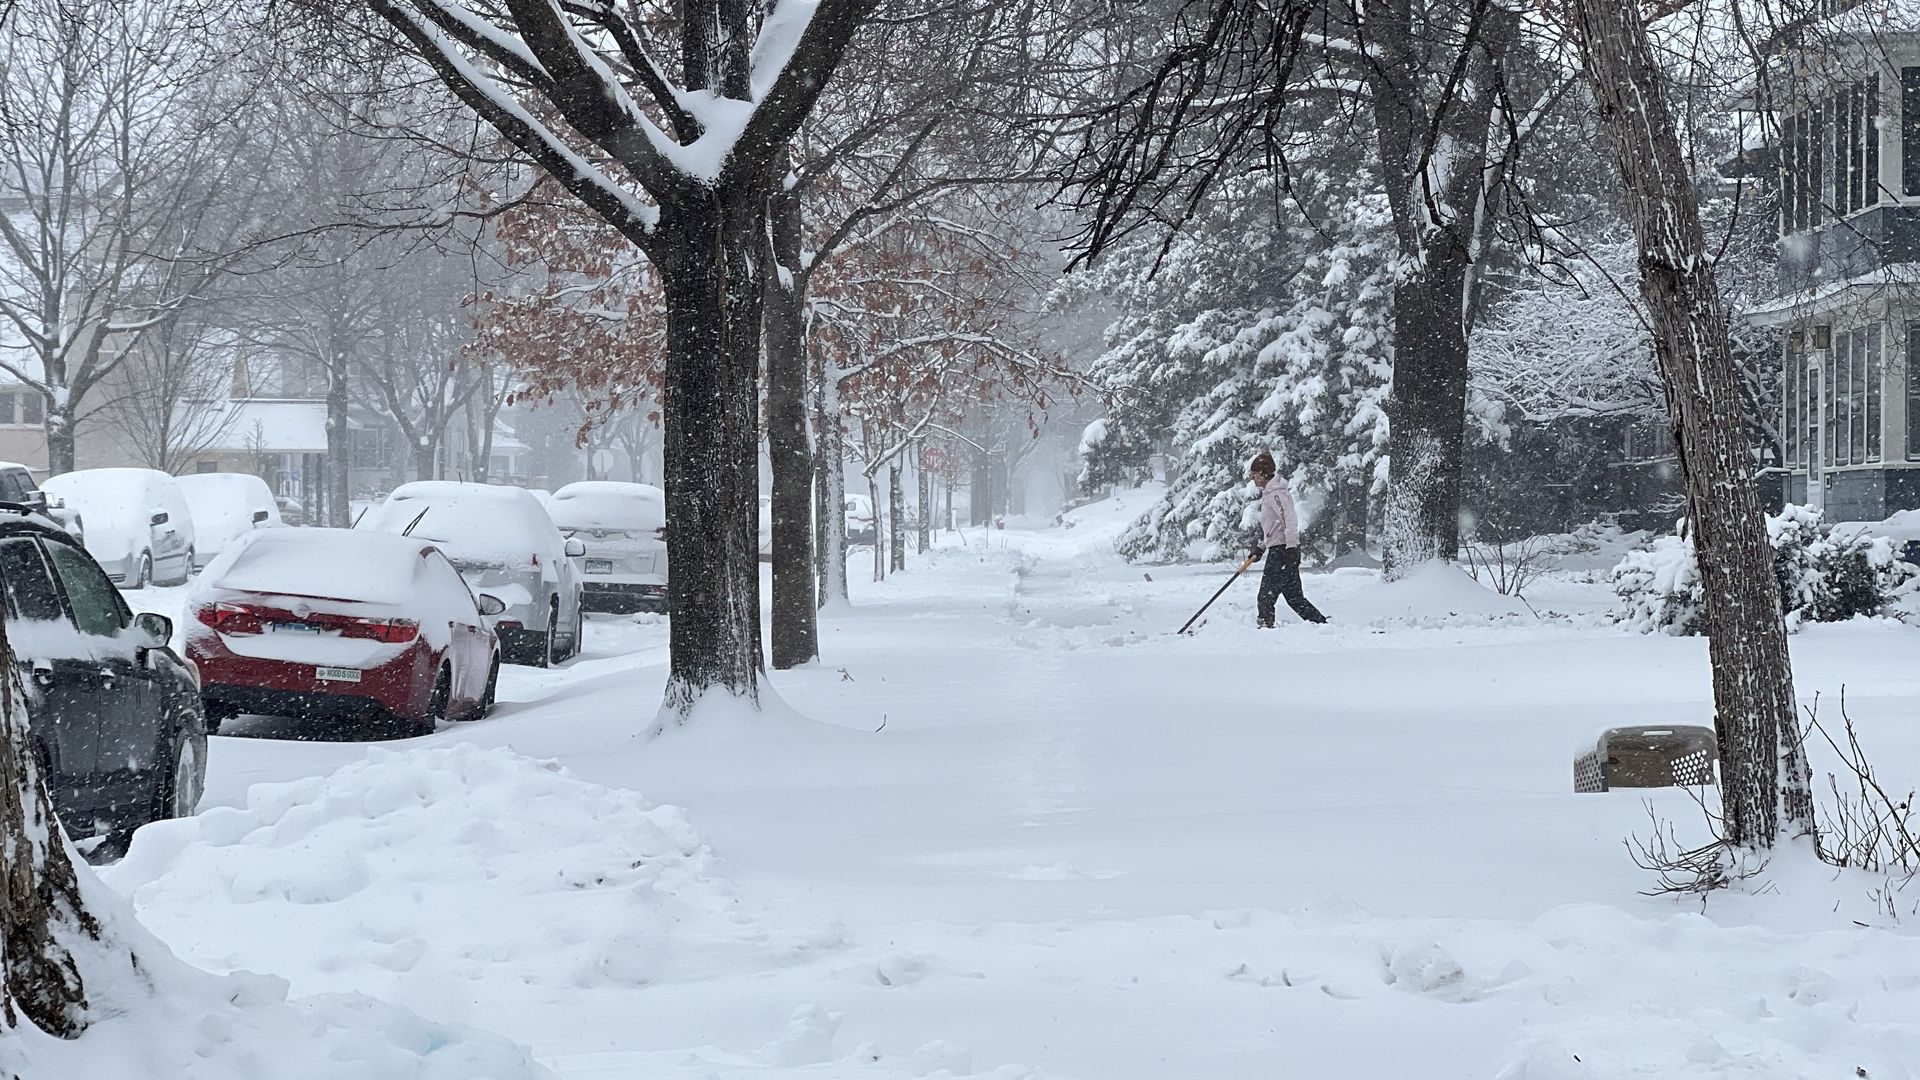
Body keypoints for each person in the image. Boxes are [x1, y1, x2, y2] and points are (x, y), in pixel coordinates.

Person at [1247, 451, 1327, 628]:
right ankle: (1321, 625)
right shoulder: (1270, 494)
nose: (1253, 480)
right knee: (1294, 597)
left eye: (1254, 475)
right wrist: (1260, 547)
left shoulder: (1276, 494)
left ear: (1263, 473)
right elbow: (1273, 527)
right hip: (1281, 549)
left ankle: (1264, 630)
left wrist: (1291, 547)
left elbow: (1288, 519)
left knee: (1266, 597)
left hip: (1282, 552)